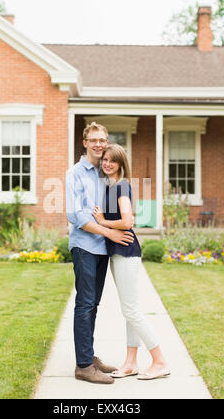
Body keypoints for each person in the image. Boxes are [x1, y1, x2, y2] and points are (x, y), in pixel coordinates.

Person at [93, 144, 170, 380]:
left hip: (126, 251)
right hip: (119, 252)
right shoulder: (111, 186)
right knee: (130, 310)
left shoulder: (121, 186)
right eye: (105, 159)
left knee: (131, 310)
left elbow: (127, 221)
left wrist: (102, 221)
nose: (107, 163)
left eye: (112, 161)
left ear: (120, 164)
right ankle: (131, 363)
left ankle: (159, 361)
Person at [66, 123, 135, 384]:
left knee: (93, 304)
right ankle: (83, 366)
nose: (98, 144)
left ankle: (88, 355)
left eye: (102, 140)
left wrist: (122, 222)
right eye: (93, 139)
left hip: (101, 249)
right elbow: (76, 216)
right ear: (84, 142)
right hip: (84, 246)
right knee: (85, 303)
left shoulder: (104, 171)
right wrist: (110, 232)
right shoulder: (75, 174)